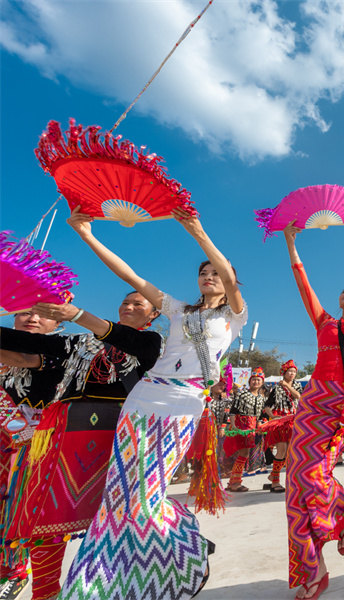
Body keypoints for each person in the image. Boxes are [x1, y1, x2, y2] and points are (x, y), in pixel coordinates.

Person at [60, 205, 246, 599]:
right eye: (203, 272)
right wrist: (86, 233)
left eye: (215, 271)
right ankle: (98, 583)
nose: (209, 276)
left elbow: (228, 276)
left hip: (185, 403)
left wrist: (196, 230)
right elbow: (131, 276)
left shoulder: (235, 315)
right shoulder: (177, 309)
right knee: (119, 491)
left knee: (148, 492)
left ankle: (184, 547)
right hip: (145, 396)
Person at [0, 293, 162, 600]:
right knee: (46, 514)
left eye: (138, 305)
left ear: (153, 315)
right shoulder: (78, 342)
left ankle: (114, 585)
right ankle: (46, 591)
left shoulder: (153, 344)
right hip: (65, 431)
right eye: (124, 302)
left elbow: (136, 347)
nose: (128, 307)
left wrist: (76, 313)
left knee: (120, 517)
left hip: (120, 435)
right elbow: (29, 346)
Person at [282, 220, 344, 599]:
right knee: (295, 483)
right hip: (313, 399)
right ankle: (313, 568)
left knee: (314, 476)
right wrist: (291, 242)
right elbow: (303, 284)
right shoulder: (324, 321)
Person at [0, 309, 64, 600]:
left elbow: (27, 360)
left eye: (42, 314)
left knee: (30, 513)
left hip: (39, 443)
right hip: (4, 443)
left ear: (58, 321)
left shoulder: (64, 350)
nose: (32, 318)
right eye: (24, 312)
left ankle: (22, 574)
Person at [261, 360, 303, 493]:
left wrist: (287, 385)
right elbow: (267, 405)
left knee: (292, 452)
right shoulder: (277, 389)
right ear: (284, 373)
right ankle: (275, 481)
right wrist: (273, 417)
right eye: (290, 371)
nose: (292, 373)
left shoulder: (297, 386)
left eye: (294, 371)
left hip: (294, 421)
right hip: (281, 420)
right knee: (281, 450)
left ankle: (274, 475)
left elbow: (298, 397)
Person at [224, 367, 268, 492]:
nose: (256, 382)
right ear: (250, 381)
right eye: (254, 380)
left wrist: (259, 426)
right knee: (244, 454)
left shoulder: (261, 398)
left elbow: (259, 415)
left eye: (259, 380)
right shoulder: (242, 394)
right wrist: (234, 426)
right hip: (242, 424)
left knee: (245, 454)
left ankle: (232, 482)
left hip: (252, 426)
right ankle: (236, 483)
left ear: (262, 382)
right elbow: (233, 411)